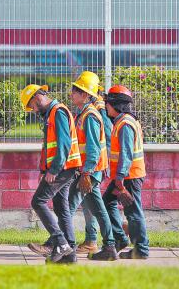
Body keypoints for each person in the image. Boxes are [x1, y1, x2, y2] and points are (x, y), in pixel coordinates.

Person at [21, 84, 82, 264]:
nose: (32, 109)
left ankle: (60, 242)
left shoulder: (58, 112)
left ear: (37, 98)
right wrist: (44, 170)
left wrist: (54, 170)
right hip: (64, 168)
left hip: (63, 168)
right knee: (61, 208)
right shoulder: (51, 114)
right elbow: (49, 147)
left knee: (38, 201)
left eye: (31, 105)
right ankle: (69, 254)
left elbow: (64, 145)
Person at [66, 72, 118, 261]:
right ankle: (110, 246)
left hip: (90, 172)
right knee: (98, 208)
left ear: (86, 95)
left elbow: (94, 149)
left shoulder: (90, 116)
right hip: (88, 171)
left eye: (76, 90)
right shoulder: (83, 114)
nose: (72, 93)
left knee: (69, 205)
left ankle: (60, 244)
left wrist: (86, 172)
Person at [103, 84, 149, 260]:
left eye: (108, 103)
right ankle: (121, 238)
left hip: (129, 176)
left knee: (133, 212)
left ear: (116, 104)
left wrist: (120, 178)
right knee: (107, 202)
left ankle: (141, 250)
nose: (106, 106)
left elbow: (126, 153)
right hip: (125, 176)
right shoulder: (124, 121)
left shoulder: (125, 124)